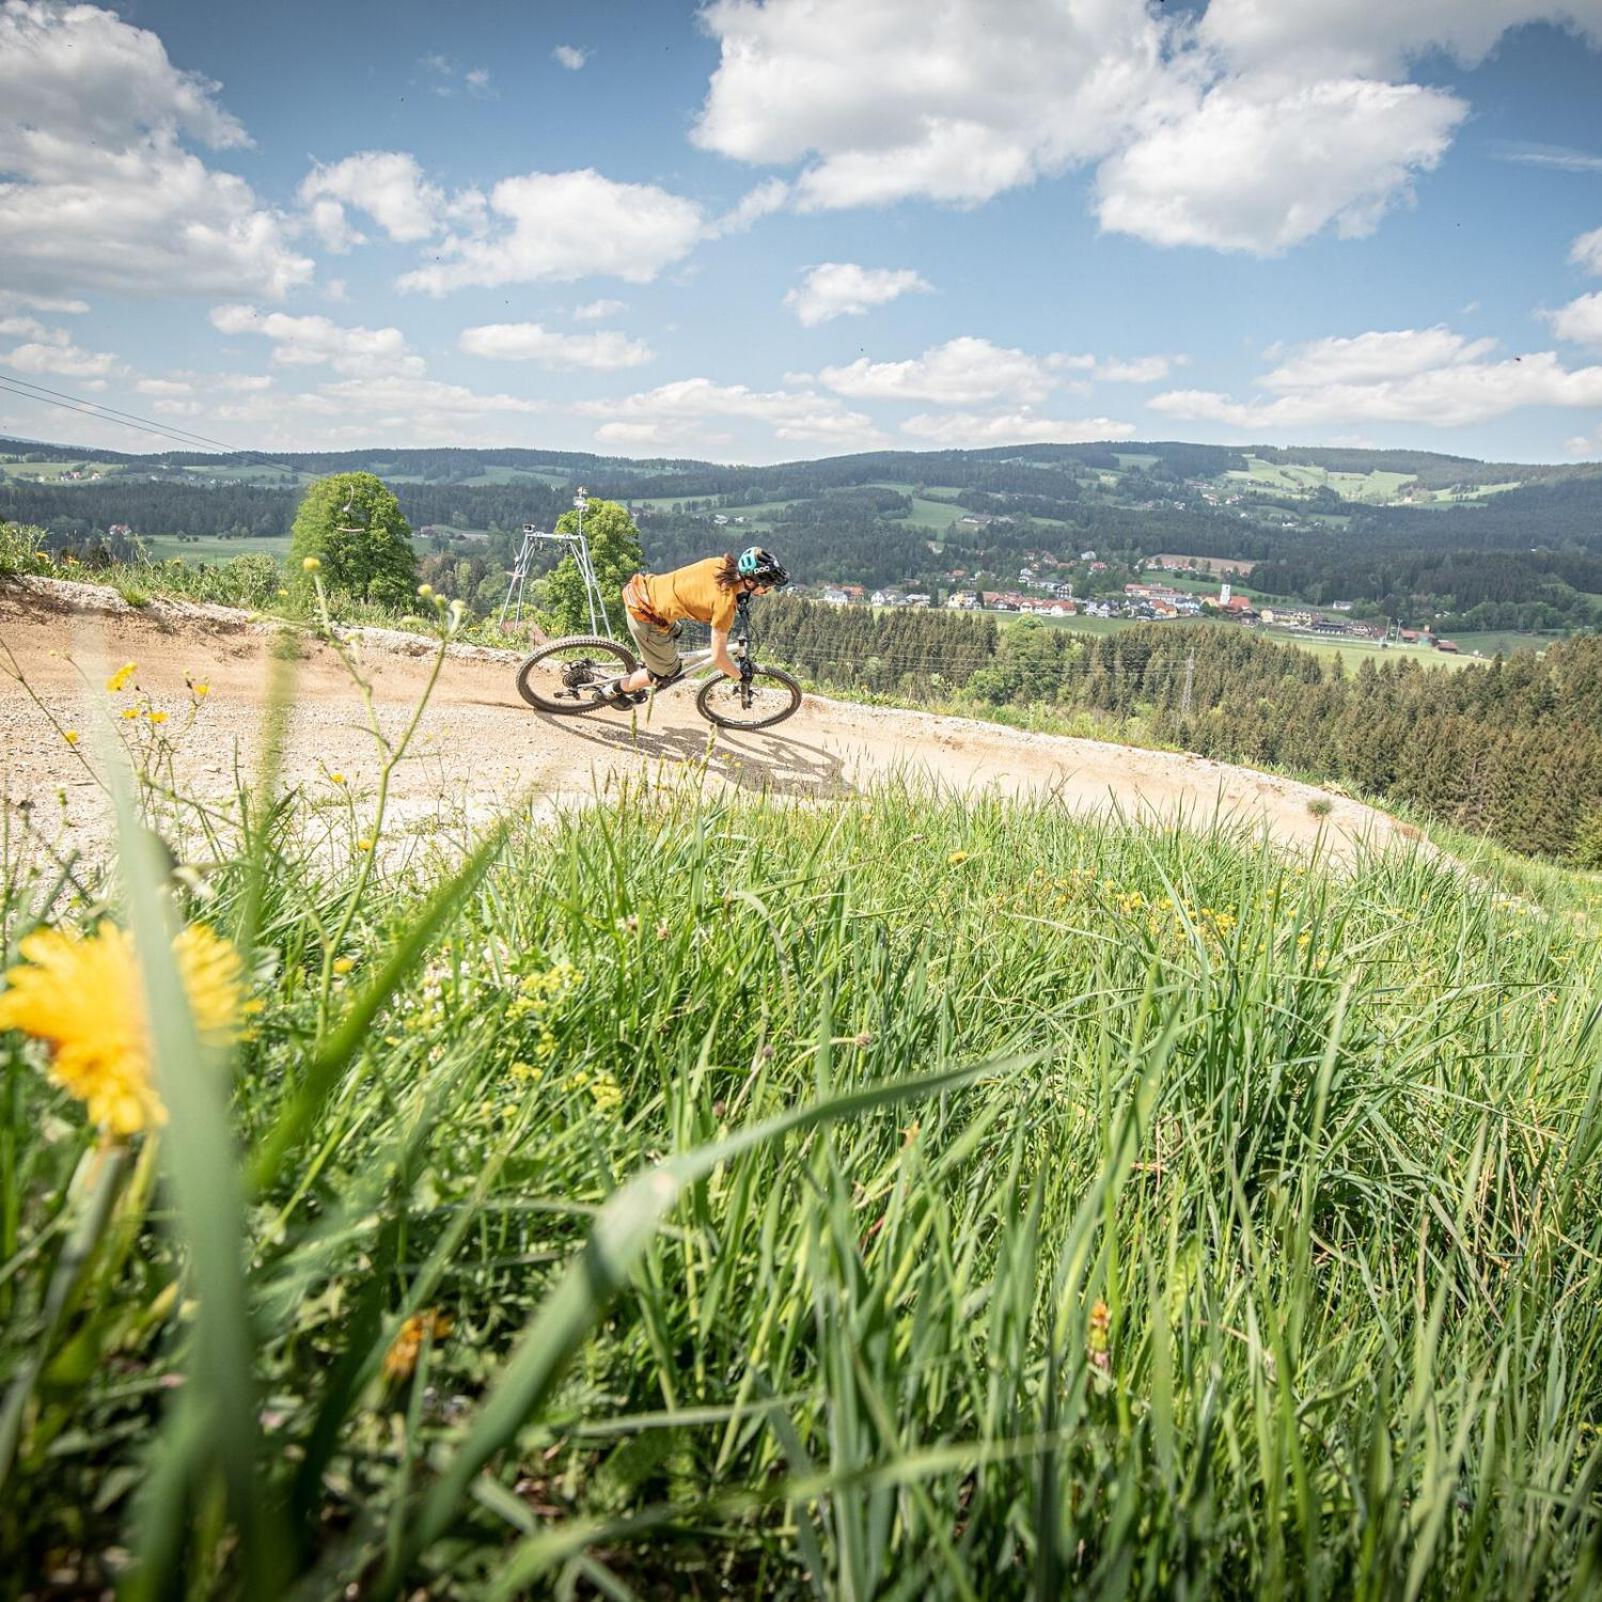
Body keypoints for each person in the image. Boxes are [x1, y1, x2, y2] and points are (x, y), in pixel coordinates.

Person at [600, 547, 788, 704]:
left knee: (677, 631)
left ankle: (650, 660)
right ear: (749, 581)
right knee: (666, 673)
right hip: (646, 617)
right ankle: (612, 690)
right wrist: (740, 676)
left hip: (646, 590)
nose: (768, 590)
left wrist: (741, 595)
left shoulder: (720, 564)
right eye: (767, 586)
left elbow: (710, 588)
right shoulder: (724, 608)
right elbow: (719, 658)